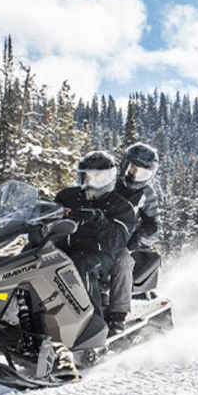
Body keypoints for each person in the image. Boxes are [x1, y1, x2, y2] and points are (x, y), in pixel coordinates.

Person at [54, 151, 136, 321]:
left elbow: (117, 241)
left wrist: (99, 220)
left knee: (81, 265)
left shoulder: (121, 207)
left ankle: (93, 324)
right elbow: (48, 208)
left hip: (100, 254)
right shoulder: (68, 196)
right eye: (86, 176)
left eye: (97, 177)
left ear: (108, 178)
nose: (90, 182)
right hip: (64, 249)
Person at [106, 143, 161, 335]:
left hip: (123, 242)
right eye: (132, 169)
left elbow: (153, 224)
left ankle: (117, 316)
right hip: (98, 233)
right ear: (124, 165)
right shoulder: (109, 182)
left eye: (142, 173)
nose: (135, 175)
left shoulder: (147, 194)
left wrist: (137, 240)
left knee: (123, 260)